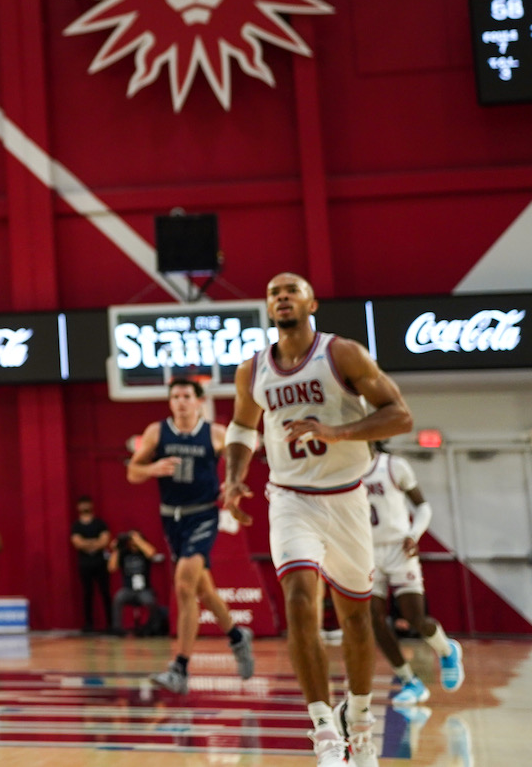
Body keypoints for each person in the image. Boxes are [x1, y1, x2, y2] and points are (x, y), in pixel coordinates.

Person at [223, 273, 411, 767]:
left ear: (312, 302)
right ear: (267, 307)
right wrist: (235, 475)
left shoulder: (342, 354)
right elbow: (243, 426)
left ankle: (362, 722)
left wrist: (338, 431)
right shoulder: (253, 369)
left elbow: (400, 415)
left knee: (355, 617)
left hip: (346, 498)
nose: (281, 297)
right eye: (272, 292)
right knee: (300, 600)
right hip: (289, 498)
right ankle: (324, 728)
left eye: (291, 289)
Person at [128, 378, 254, 691]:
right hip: (172, 518)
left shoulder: (215, 433)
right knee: (204, 591)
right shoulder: (157, 432)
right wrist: (153, 469)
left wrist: (234, 482)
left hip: (203, 515)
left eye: (186, 396)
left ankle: (180, 669)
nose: (180, 401)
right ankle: (238, 637)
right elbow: (133, 472)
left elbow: (243, 451)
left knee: (184, 585)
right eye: (175, 396)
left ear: (199, 401)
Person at [363, 441, 463, 702]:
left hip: (399, 547)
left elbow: (423, 507)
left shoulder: (393, 466)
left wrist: (414, 534)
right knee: (373, 620)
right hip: (367, 551)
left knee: (415, 617)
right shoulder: (345, 471)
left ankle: (446, 650)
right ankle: (410, 681)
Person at [110, 530, 168, 636]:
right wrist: (116, 549)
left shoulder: (143, 553)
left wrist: (138, 540)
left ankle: (155, 627)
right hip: (128, 589)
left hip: (144, 589)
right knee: (118, 598)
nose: (132, 542)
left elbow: (151, 553)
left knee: (150, 601)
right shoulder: (124, 553)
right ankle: (117, 629)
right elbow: (111, 568)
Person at [70, 498, 114, 633]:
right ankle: (88, 623)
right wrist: (95, 543)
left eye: (86, 503)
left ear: (91, 505)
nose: (84, 506)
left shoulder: (100, 523)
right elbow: (77, 543)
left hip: (100, 563)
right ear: (78, 507)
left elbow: (105, 541)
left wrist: (87, 543)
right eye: (81, 504)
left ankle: (111, 623)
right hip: (85, 564)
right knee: (87, 593)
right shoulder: (76, 526)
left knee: (105, 592)